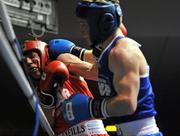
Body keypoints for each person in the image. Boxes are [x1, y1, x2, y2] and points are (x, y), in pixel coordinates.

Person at [48, 0, 163, 135]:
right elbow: (93, 71)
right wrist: (73, 52)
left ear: (104, 23)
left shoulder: (123, 52)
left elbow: (127, 104)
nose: (82, 31)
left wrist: (90, 108)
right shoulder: (110, 51)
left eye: (84, 24)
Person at [22, 39, 109, 136]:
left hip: (91, 131)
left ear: (42, 53)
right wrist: (46, 98)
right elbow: (48, 126)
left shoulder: (62, 60)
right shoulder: (37, 92)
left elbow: (95, 73)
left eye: (31, 56)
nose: (28, 62)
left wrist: (81, 52)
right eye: (25, 61)